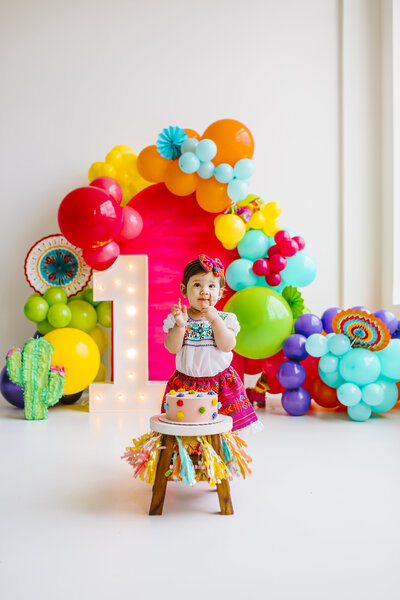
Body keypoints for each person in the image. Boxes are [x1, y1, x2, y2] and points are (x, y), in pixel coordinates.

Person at [162, 254, 262, 433]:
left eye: (211, 286)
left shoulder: (225, 319)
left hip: (220, 383)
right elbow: (172, 347)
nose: (204, 291)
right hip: (185, 384)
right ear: (184, 290)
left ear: (220, 292)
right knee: (186, 426)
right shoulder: (180, 319)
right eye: (197, 285)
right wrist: (179, 326)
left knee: (222, 427)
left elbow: (227, 345)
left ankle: (221, 453)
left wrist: (215, 320)